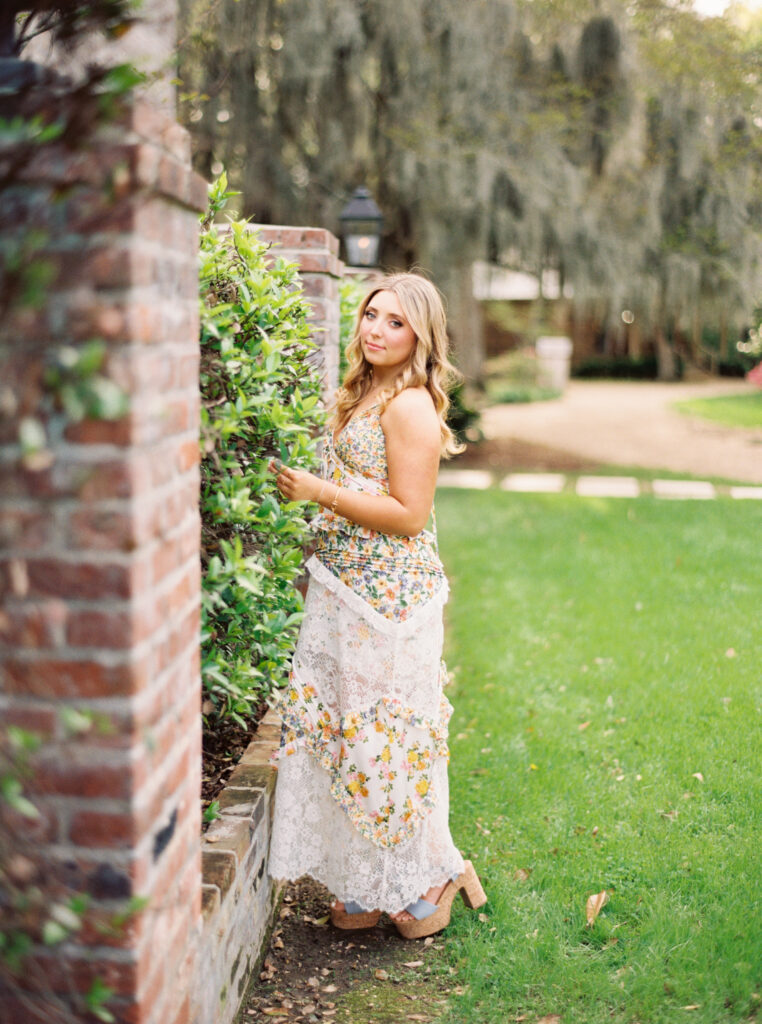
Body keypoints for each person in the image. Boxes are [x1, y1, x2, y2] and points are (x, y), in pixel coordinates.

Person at [267, 272, 485, 939]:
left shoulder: (412, 404)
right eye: (370, 314)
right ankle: (366, 880)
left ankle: (432, 875)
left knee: (389, 743)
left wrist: (317, 493)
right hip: (344, 591)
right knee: (344, 736)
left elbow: (409, 514)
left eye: (395, 322)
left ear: (421, 335)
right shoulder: (366, 391)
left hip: (393, 604)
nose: (375, 329)